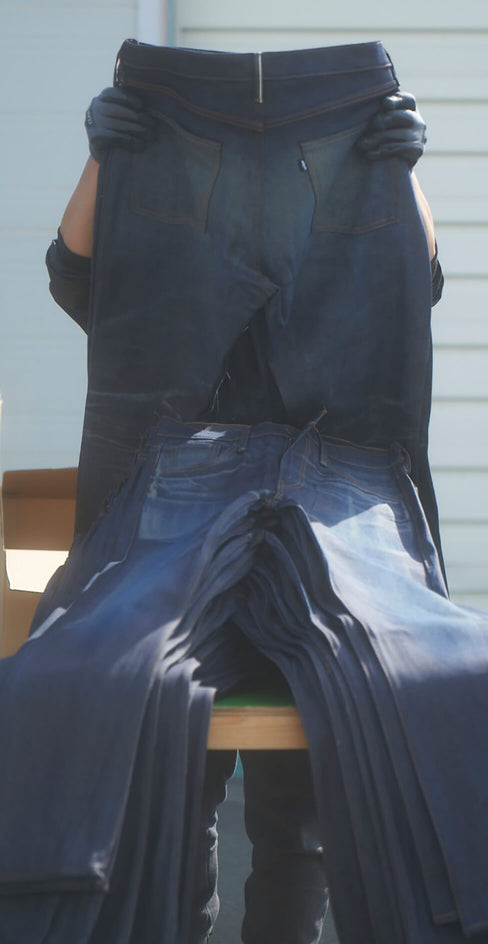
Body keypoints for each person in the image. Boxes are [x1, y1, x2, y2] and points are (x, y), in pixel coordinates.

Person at [45, 69, 443, 944]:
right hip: (178, 524)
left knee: (296, 811)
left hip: (317, 527)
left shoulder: (342, 263)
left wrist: (396, 174)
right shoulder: (169, 268)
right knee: (175, 791)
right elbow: (74, 277)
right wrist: (108, 159)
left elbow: (414, 290)